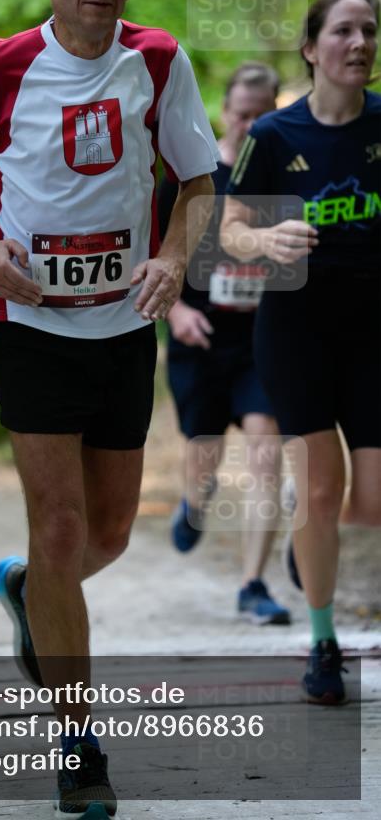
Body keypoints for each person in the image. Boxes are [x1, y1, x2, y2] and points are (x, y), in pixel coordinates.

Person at [0, 0, 218, 816]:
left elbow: (196, 182)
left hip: (123, 327)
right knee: (56, 528)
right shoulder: (0, 66)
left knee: (107, 537)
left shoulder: (158, 60)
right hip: (30, 328)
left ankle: (26, 592)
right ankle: (77, 744)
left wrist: (169, 256)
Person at [221, 0, 380, 704]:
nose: (359, 44)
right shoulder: (274, 136)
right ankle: (322, 644)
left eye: (369, 32)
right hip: (296, 327)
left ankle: (303, 543)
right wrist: (265, 236)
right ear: (311, 49)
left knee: (368, 500)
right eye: (343, 31)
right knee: (320, 485)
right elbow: (225, 231)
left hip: (373, 327)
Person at [158, 62, 292, 625]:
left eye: (263, 116)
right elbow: (158, 258)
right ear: (224, 111)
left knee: (267, 455)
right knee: (204, 457)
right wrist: (179, 311)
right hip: (201, 337)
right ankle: (194, 502)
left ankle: (254, 584)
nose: (250, 124)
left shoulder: (286, 174)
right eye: (242, 114)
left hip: (261, 342)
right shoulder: (194, 174)